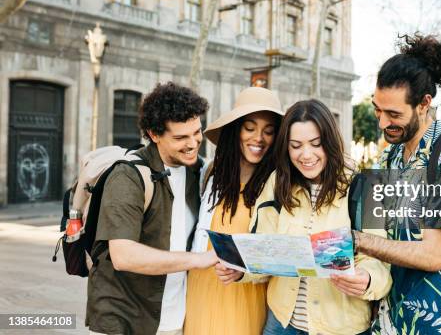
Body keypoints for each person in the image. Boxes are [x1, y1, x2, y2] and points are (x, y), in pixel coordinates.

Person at [216, 99, 392, 335]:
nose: (306, 155)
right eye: (295, 145)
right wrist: (242, 270)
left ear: (329, 142)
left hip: (341, 328)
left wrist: (367, 279)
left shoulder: (365, 187)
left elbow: (380, 262)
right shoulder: (277, 182)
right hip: (281, 324)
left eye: (315, 144)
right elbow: (263, 249)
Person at [352, 34, 441, 335]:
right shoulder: (387, 156)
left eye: (394, 114)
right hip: (385, 320)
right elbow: (375, 231)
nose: (382, 123)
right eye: (377, 110)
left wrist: (356, 240)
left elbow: (433, 256)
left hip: (434, 323)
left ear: (424, 104)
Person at [86, 82, 218, 335]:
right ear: (154, 134)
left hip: (175, 317)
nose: (193, 143)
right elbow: (124, 255)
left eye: (197, 132)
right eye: (180, 137)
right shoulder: (128, 176)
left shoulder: (199, 171)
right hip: (124, 318)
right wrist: (199, 260)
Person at [184, 87, 283, 335]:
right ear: (235, 129)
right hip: (201, 288)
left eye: (268, 131)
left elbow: (277, 252)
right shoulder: (209, 175)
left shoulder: (277, 185)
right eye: (250, 128)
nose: (258, 138)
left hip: (245, 294)